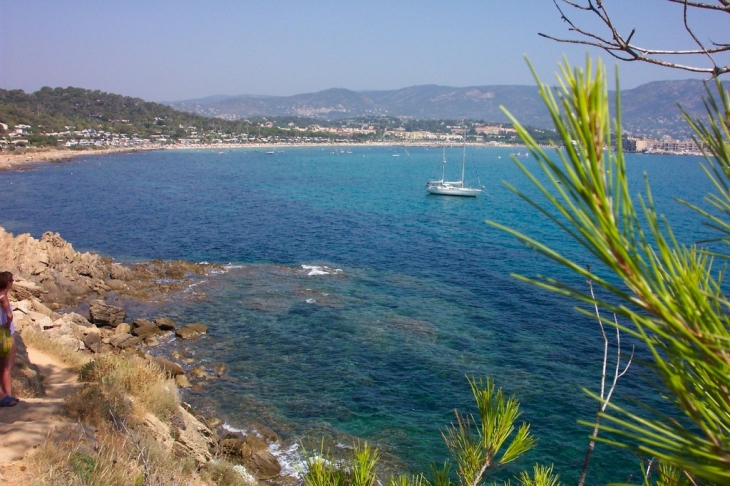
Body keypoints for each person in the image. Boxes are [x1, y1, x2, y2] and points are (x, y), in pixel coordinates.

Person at [0, 271, 18, 407]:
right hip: (5, 334)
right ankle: (6, 396)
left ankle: (7, 396)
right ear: (7, 284)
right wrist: (7, 324)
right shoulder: (3, 297)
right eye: (12, 280)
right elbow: (9, 315)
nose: (13, 282)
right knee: (7, 368)